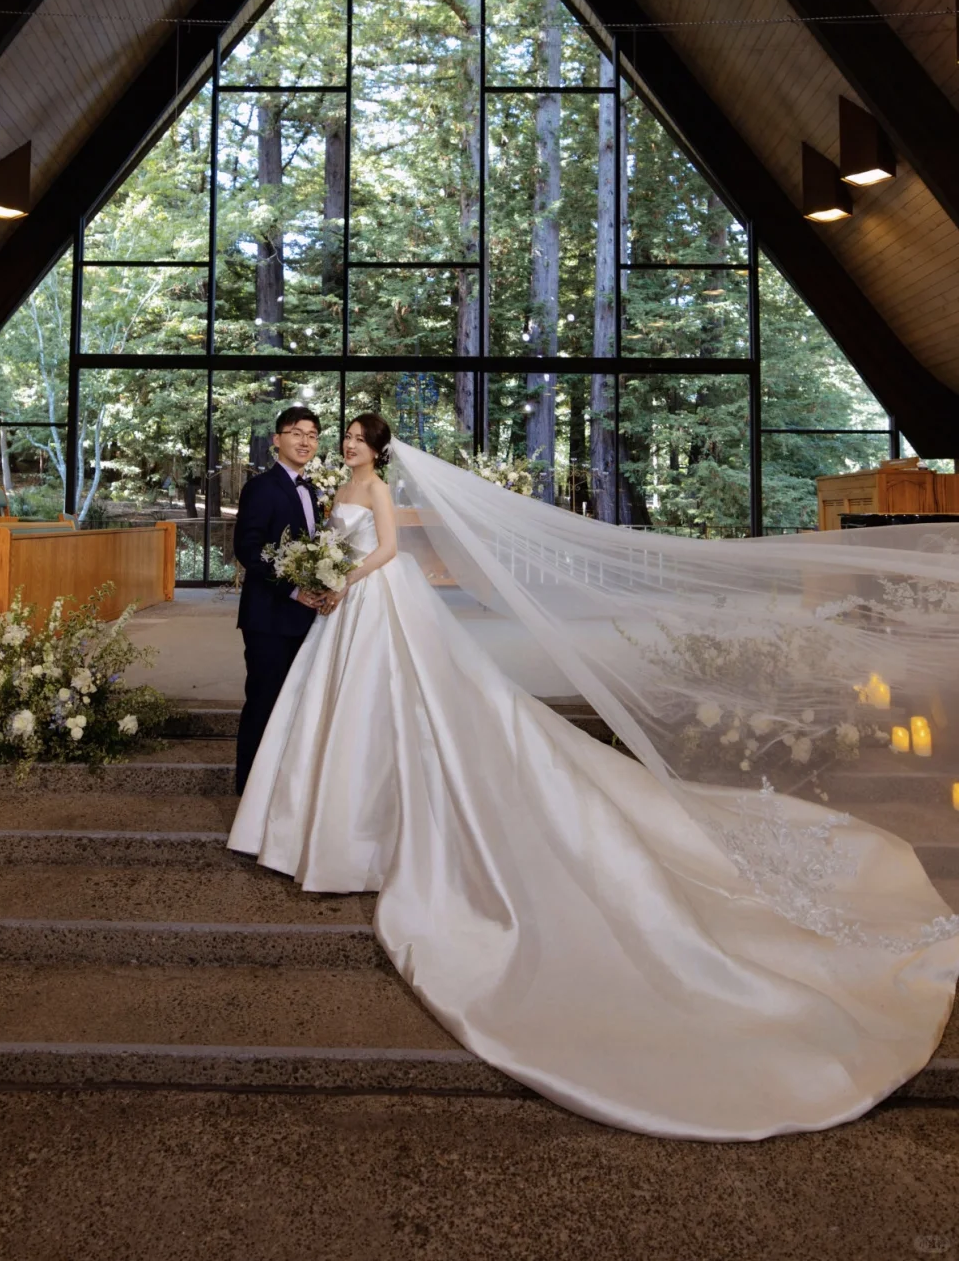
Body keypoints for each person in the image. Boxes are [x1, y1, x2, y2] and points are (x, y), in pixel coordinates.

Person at [229, 413, 959, 1141]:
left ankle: (361, 821)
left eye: (355, 435)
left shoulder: (378, 486)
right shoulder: (332, 489)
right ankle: (326, 814)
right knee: (339, 705)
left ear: (376, 447)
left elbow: (388, 549)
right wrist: (323, 576)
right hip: (342, 611)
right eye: (342, 435)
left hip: (372, 602)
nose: (346, 442)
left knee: (405, 702)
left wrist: (344, 576)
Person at [232, 406, 329, 795]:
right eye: (296, 433)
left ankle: (280, 786)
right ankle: (249, 791)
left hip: (304, 617)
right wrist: (292, 589)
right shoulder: (261, 487)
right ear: (277, 440)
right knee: (263, 701)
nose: (305, 441)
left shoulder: (312, 489)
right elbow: (248, 549)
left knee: (292, 703)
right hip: (268, 618)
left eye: (312, 435)